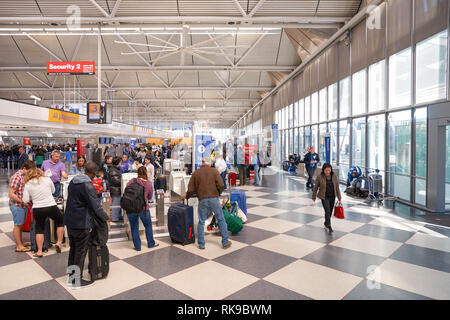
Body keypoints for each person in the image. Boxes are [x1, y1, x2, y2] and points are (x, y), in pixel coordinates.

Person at [64, 161, 109, 289]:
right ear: (94, 173)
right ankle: (76, 281)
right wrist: (106, 217)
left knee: (73, 249)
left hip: (70, 220)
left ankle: (71, 277)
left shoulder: (73, 181)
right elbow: (95, 207)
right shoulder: (88, 186)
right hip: (81, 223)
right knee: (80, 251)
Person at [182, 157, 231, 250]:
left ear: (202, 163)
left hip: (202, 200)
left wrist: (187, 196)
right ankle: (225, 242)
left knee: (201, 221)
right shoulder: (214, 171)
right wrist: (218, 193)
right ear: (209, 164)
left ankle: (201, 244)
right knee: (221, 219)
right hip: (214, 199)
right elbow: (221, 185)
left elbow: (191, 189)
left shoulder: (196, 173)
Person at [23, 167, 65, 257]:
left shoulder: (28, 184)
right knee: (60, 222)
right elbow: (53, 191)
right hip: (51, 206)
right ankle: (59, 242)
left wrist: (33, 197)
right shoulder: (47, 179)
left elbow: (25, 200)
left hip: (38, 208)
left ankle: (39, 251)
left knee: (39, 229)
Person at [125, 167, 159, 251]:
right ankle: (151, 243)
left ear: (138, 173)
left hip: (131, 208)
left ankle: (137, 246)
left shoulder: (132, 181)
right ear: (146, 173)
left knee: (134, 227)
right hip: (143, 208)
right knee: (148, 225)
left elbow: (126, 191)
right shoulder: (148, 183)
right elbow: (150, 197)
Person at [8, 160, 36, 253]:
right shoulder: (16, 177)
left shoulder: (23, 176)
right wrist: (22, 201)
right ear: (24, 169)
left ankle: (21, 243)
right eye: (29, 171)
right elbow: (11, 194)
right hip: (17, 205)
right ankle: (19, 246)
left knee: (20, 225)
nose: (30, 174)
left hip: (22, 205)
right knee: (17, 225)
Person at [312, 163, 342, 234]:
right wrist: (314, 196)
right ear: (323, 170)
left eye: (329, 170)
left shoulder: (334, 176)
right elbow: (315, 187)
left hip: (332, 196)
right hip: (324, 196)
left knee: (330, 211)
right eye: (326, 170)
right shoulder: (320, 177)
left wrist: (339, 197)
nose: (328, 172)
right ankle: (329, 225)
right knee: (327, 211)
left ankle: (326, 223)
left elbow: (337, 187)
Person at [107, 157, 123, 222]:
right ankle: (114, 217)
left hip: (117, 189)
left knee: (119, 203)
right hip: (115, 189)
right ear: (118, 162)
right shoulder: (113, 170)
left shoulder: (115, 169)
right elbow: (116, 181)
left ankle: (118, 216)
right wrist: (123, 181)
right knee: (116, 204)